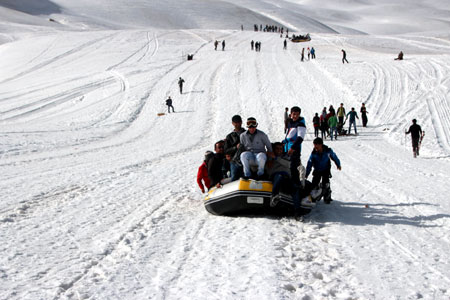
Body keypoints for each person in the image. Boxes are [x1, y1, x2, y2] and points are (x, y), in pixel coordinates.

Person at [306, 138, 341, 204]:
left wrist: (338, 164)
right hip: (317, 170)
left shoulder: (328, 151)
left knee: (326, 184)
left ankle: (327, 197)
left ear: (321, 145)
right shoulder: (313, 153)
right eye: (314, 145)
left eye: (317, 146)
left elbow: (334, 156)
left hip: (326, 169)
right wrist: (307, 173)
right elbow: (309, 163)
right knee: (314, 184)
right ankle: (313, 197)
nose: (315, 147)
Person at [283, 106, 306, 185]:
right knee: (287, 168)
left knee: (293, 170)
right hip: (287, 150)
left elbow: (300, 138)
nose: (295, 116)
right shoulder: (290, 123)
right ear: (291, 114)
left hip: (294, 151)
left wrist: (292, 148)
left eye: (297, 114)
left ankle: (297, 189)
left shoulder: (300, 124)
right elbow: (288, 136)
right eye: (294, 114)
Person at [224, 115, 246, 181]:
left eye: (238, 122)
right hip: (234, 161)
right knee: (233, 178)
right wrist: (235, 148)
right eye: (235, 122)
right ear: (232, 123)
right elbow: (226, 150)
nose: (237, 124)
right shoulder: (229, 136)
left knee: (246, 178)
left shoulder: (247, 133)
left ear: (241, 122)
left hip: (245, 160)